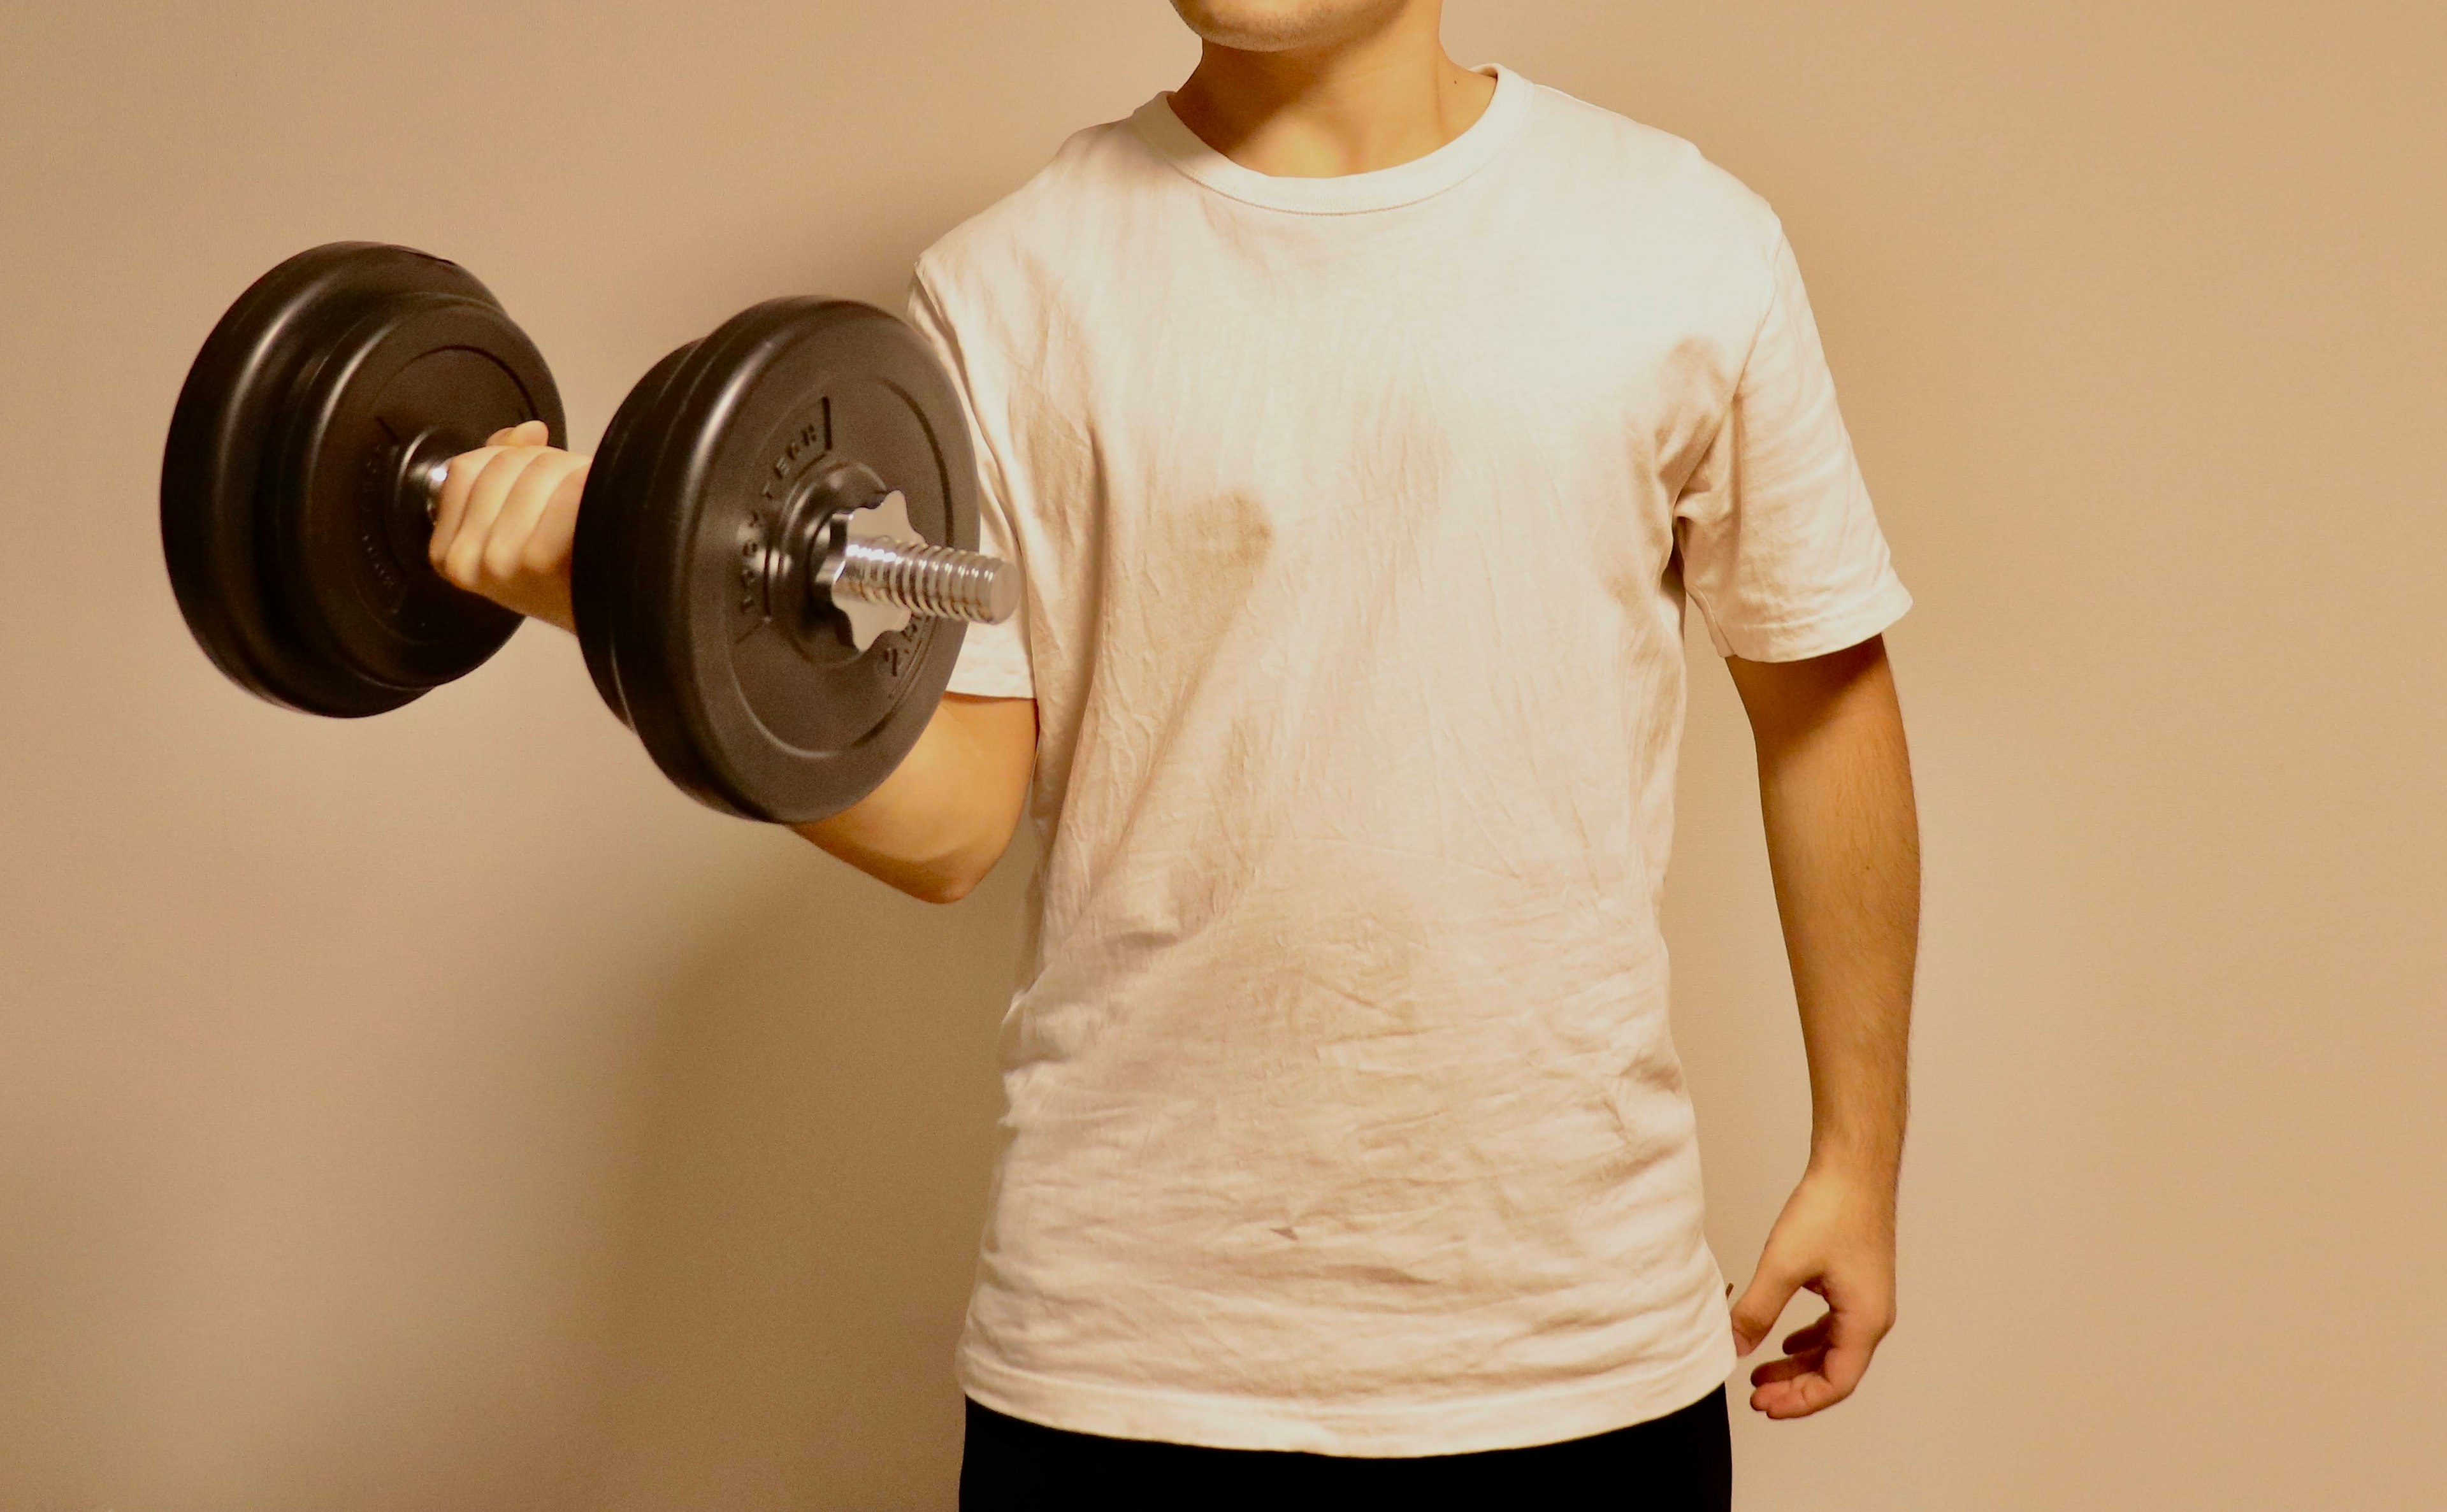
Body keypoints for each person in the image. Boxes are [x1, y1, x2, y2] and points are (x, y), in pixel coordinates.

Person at [426, 1, 1919, 1503]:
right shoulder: (1011, 285)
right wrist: (617, 587)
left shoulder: (1679, 239)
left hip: (1570, 1349)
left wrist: (1859, 1156)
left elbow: (1824, 700)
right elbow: (951, 817)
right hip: (1127, 1361)